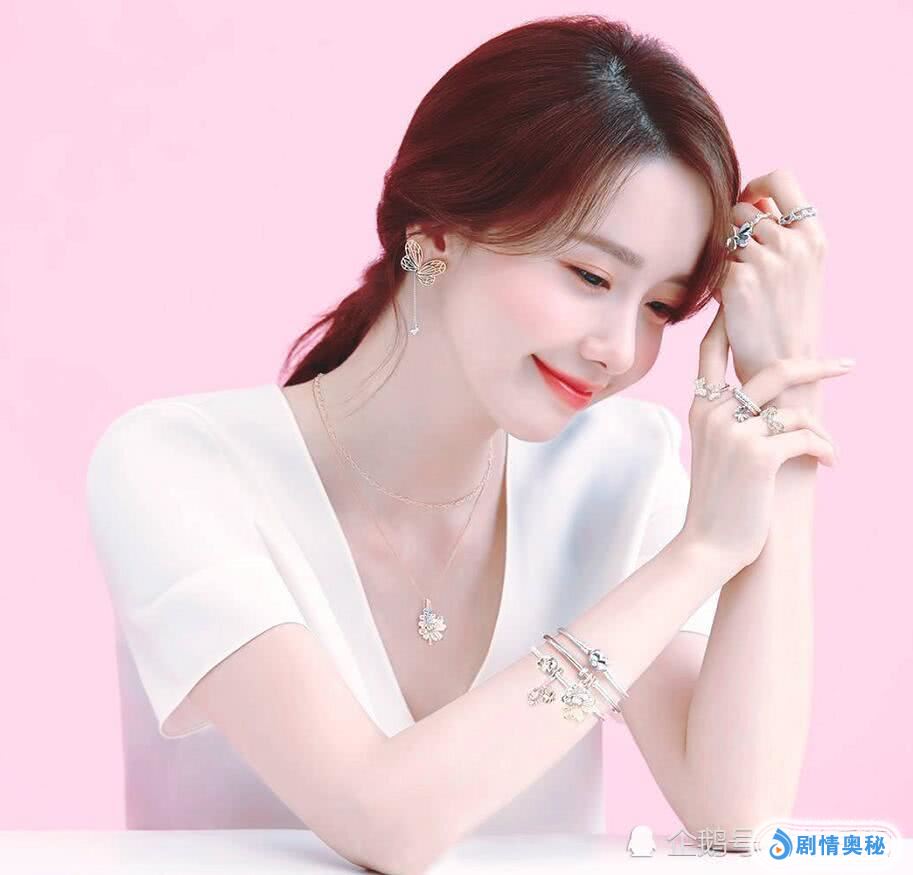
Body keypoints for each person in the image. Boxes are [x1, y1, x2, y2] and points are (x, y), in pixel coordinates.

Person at [85, 13, 848, 873]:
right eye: (590, 275)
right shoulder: (176, 468)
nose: (619, 348)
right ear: (437, 232)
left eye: (659, 308)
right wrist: (700, 551)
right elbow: (383, 823)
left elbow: (736, 817)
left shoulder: (617, 471)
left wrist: (785, 411)